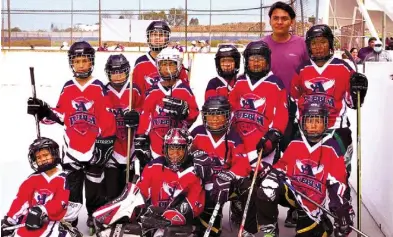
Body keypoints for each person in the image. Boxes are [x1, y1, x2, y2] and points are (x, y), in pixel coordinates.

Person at [26, 41, 117, 233]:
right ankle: (70, 222)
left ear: (91, 62)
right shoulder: (68, 87)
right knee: (72, 190)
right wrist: (43, 110)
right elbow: (61, 116)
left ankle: (95, 217)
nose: (81, 65)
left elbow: (108, 118)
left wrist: (105, 142)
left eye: (85, 60)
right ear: (71, 63)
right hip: (72, 150)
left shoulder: (99, 87)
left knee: (95, 187)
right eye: (77, 61)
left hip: (94, 149)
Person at [290, 24, 368, 204]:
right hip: (308, 132)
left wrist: (359, 93)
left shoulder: (344, 68)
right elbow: (295, 97)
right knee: (306, 177)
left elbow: (352, 103)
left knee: (338, 178)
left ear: (330, 43)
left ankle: (341, 216)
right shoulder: (302, 69)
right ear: (308, 46)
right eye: (314, 43)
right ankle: (310, 217)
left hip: (337, 130)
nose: (318, 46)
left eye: (323, 42)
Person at [255, 101, 353, 237]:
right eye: (309, 121)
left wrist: (341, 209)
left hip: (312, 205)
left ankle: (323, 225)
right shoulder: (296, 143)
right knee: (267, 186)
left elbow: (338, 181)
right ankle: (270, 232)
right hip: (295, 194)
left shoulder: (332, 148)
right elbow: (282, 167)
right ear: (303, 123)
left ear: (325, 123)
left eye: (317, 121)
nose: (313, 125)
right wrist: (271, 172)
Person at [229, 41, 288, 235]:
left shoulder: (275, 83)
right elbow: (231, 110)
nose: (255, 63)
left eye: (260, 59)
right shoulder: (240, 81)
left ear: (267, 61)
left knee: (263, 189)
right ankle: (249, 226)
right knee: (244, 186)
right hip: (242, 146)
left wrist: (274, 134)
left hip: (264, 148)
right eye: (252, 59)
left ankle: (269, 225)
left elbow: (282, 114)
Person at [262, 5, 309, 225]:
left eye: (284, 18)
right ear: (270, 20)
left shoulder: (301, 44)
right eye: (275, 18)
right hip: (265, 111)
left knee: (292, 159)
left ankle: (295, 207)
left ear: (291, 21)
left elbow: (311, 73)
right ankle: (262, 205)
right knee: (267, 159)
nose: (279, 22)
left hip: (294, 111)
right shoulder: (261, 45)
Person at [190, 96, 251, 236]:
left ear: (227, 117)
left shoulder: (233, 137)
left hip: (224, 185)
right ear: (204, 116)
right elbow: (184, 158)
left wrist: (230, 175)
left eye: (219, 115)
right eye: (211, 115)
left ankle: (243, 216)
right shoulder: (197, 133)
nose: (215, 119)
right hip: (204, 186)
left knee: (249, 188)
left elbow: (243, 165)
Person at [1, 137, 82, 237]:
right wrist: (10, 220)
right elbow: (21, 200)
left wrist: (42, 210)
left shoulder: (63, 178)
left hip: (54, 221)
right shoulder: (32, 179)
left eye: (45, 155)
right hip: (31, 220)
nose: (43, 159)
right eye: (38, 157)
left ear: (54, 154)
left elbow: (60, 202)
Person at [134, 47, 199, 165]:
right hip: (156, 145)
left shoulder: (184, 89)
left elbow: (194, 114)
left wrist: (186, 111)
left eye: (171, 64)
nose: (167, 68)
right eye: (163, 64)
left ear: (178, 66)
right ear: (158, 66)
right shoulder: (153, 91)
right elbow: (146, 116)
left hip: (178, 147)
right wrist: (141, 136)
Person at [137, 128, 205, 237]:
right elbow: (140, 194)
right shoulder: (152, 167)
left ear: (187, 150)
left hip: (182, 227)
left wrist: (165, 219)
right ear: (165, 149)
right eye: (172, 148)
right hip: (153, 223)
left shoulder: (195, 171)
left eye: (180, 149)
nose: (175, 154)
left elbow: (194, 206)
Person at [103, 54, 144, 200]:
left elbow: (144, 110)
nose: (118, 76)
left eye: (121, 71)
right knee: (111, 189)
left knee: (128, 190)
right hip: (111, 150)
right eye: (114, 72)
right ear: (108, 73)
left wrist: (137, 115)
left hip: (130, 148)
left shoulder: (135, 89)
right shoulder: (104, 91)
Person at [133, 21, 189, 97]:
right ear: (148, 37)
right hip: (147, 107)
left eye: (161, 35)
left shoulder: (175, 60)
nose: (157, 38)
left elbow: (184, 90)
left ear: (167, 38)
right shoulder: (141, 63)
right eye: (154, 34)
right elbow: (137, 93)